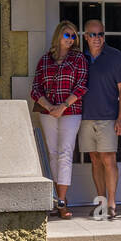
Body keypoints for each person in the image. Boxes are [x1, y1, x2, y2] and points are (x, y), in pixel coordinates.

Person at [30, 21, 88, 219]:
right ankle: (57, 199)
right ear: (58, 36)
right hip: (48, 113)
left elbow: (81, 86)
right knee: (53, 153)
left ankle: (61, 202)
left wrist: (63, 106)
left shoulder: (79, 59)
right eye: (67, 35)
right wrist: (49, 107)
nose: (71, 39)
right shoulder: (44, 60)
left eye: (73, 36)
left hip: (71, 112)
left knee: (65, 153)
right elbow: (35, 88)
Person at [78, 18, 121, 219]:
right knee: (95, 159)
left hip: (108, 117)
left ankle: (112, 203)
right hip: (85, 117)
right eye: (92, 34)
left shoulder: (115, 56)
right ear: (85, 37)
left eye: (100, 34)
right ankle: (100, 202)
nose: (97, 38)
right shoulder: (80, 58)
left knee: (109, 158)